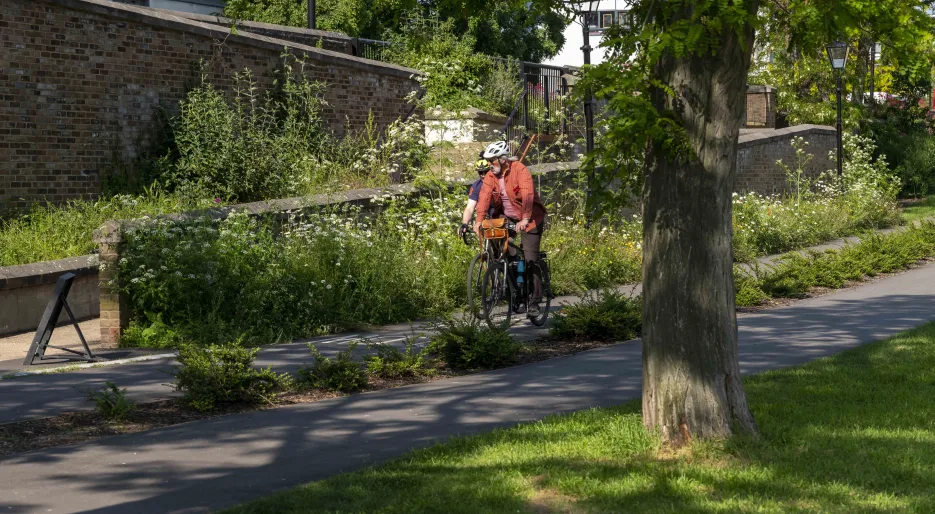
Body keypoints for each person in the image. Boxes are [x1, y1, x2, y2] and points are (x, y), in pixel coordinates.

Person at [473, 140, 548, 317]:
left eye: (492, 161)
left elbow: (528, 194)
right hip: (506, 216)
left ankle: (535, 300)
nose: (489, 165)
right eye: (488, 161)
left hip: (530, 217)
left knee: (530, 258)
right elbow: (483, 197)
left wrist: (525, 218)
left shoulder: (519, 170)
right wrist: (478, 221)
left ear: (503, 159)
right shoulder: (491, 176)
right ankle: (514, 280)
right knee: (497, 244)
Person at [458, 155, 494, 238]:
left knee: (507, 242)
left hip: (503, 215)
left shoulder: (498, 181)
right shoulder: (476, 186)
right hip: (489, 218)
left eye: (486, 172)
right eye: (480, 172)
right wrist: (464, 223)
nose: (483, 175)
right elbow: (470, 207)